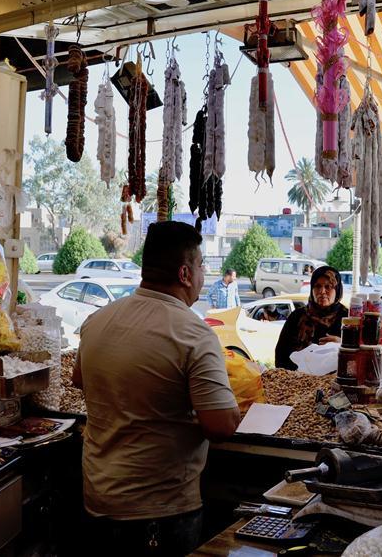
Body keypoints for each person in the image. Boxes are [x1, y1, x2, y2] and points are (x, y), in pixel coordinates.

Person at [73, 221, 240, 556]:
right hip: (160, 513)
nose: (204, 273)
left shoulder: (98, 321)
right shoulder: (194, 334)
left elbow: (80, 381)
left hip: (98, 500)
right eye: (202, 264)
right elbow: (221, 425)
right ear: (184, 273)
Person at [275, 266, 348, 370]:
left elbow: (358, 356)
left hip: (333, 382)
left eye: (328, 286)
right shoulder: (297, 317)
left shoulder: (348, 320)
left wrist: (342, 344)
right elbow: (280, 355)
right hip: (296, 380)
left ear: (337, 290)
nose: (322, 291)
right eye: (317, 286)